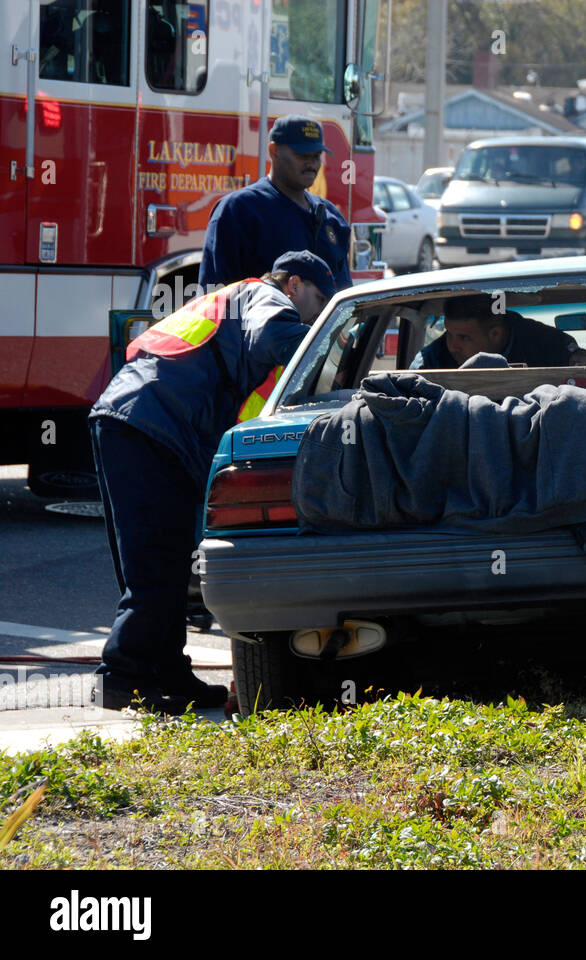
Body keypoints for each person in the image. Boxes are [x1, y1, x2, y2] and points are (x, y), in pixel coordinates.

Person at [88, 251, 333, 713]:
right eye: (319, 301)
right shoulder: (267, 298)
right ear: (295, 284)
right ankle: (122, 677)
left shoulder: (235, 300)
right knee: (155, 561)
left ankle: (165, 669)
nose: (318, 313)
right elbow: (277, 335)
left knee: (169, 558)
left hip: (141, 421)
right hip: (148, 426)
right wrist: (327, 358)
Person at [199, 115, 352, 293]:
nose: (311, 163)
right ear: (274, 151)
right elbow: (214, 296)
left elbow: (344, 294)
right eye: (302, 154)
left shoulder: (331, 217)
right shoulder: (239, 210)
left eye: (316, 155)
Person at [412, 293, 586, 377]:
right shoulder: (430, 361)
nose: (452, 346)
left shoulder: (549, 347)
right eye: (449, 334)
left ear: (496, 333)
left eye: (465, 338)